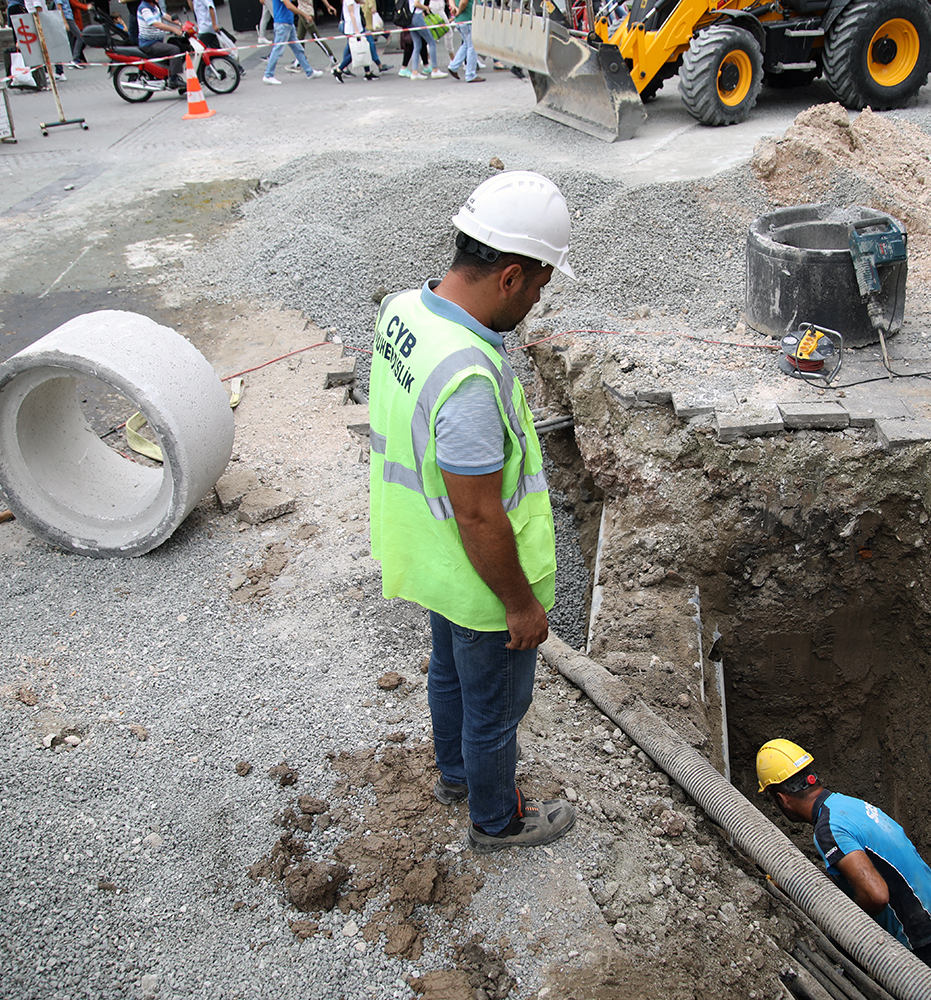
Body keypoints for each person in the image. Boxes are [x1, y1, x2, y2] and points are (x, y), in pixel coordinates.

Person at [369, 171, 577, 854]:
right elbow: (481, 516)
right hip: (481, 582)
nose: (538, 302)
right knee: (495, 708)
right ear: (510, 276)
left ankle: (457, 776)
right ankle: (496, 819)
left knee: (450, 675)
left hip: (430, 560)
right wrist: (520, 606)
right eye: (541, 286)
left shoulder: (406, 309)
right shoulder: (468, 378)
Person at [757, 740, 931, 973]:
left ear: (782, 799)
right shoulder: (846, 804)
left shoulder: (828, 829)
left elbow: (876, 895)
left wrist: (844, 928)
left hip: (920, 943)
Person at [261, 0, 320, 82]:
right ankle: (268, 74)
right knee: (278, 50)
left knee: (298, 48)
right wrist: (304, 15)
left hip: (287, 23)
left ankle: (309, 71)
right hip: (283, 24)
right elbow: (288, 5)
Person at [135, 0, 184, 86]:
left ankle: (170, 72)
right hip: (149, 44)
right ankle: (173, 79)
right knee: (174, 50)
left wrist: (180, 24)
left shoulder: (154, 7)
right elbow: (156, 24)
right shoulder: (145, 8)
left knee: (178, 44)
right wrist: (174, 29)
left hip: (156, 42)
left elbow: (165, 16)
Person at [404, 0, 443, 78]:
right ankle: (435, 69)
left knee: (417, 44)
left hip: (410, 17)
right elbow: (416, 3)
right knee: (431, 41)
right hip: (417, 16)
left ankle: (414, 71)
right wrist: (426, 8)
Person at [444, 0, 479, 81]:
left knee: (466, 44)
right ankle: (470, 74)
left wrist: (453, 8)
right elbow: (463, 2)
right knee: (472, 46)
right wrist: (459, 11)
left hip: (460, 20)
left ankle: (453, 66)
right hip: (468, 18)